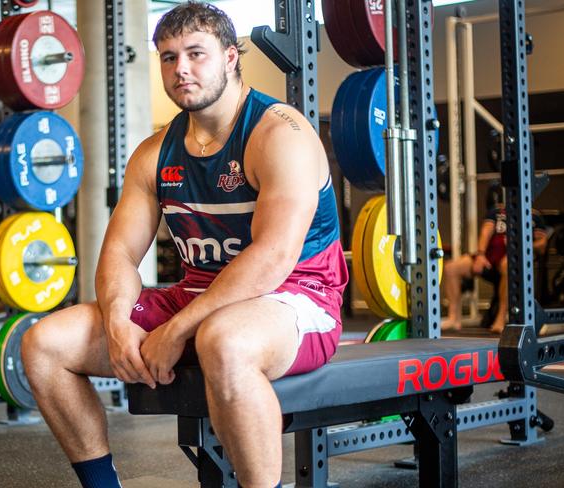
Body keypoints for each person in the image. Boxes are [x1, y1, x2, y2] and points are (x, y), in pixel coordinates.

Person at [21, 3, 349, 488]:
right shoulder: (155, 154)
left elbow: (272, 259)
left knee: (225, 339)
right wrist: (116, 323)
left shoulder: (280, 134)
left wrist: (176, 331)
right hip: (201, 297)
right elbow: (118, 254)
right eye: (169, 57)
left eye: (197, 54)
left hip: (297, 296)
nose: (182, 69)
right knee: (44, 344)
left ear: (231, 57)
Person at [441, 200, 547, 334]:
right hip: (489, 258)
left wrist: (520, 246)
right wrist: (480, 254)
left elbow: (542, 245)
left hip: (514, 261)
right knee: (451, 268)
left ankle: (500, 319)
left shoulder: (534, 215)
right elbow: (486, 232)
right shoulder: (498, 211)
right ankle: (453, 318)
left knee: (509, 264)